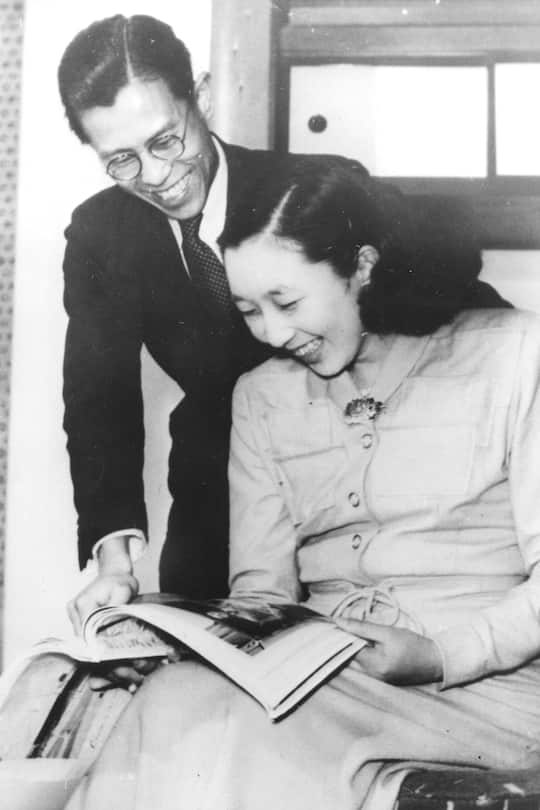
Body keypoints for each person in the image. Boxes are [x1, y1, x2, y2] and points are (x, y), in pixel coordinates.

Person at [64, 165, 540, 810]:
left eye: (286, 303)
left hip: (488, 687)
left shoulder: (516, 354)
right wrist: (174, 640)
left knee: (207, 727)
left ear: (362, 266)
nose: (271, 333)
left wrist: (440, 655)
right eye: (248, 311)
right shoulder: (262, 395)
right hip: (323, 678)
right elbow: (262, 597)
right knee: (172, 697)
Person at [59, 14, 508, 629]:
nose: (156, 175)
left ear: (203, 97)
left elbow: (455, 290)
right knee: (209, 650)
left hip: (360, 461)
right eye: (122, 160)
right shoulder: (100, 233)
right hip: (218, 481)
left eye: (165, 140)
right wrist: (114, 563)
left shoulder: (308, 186)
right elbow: (98, 397)